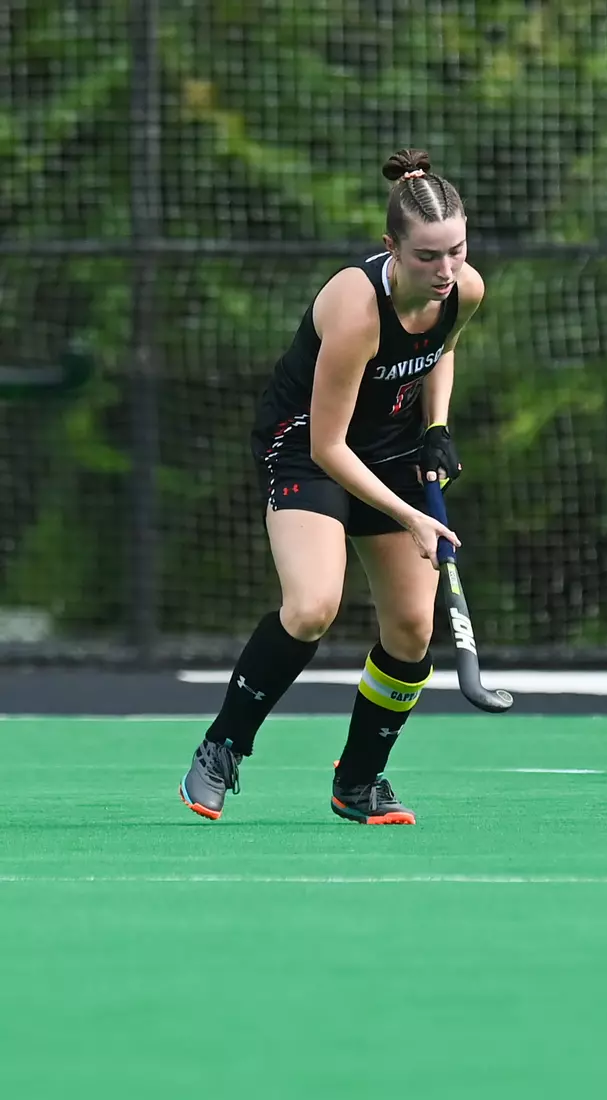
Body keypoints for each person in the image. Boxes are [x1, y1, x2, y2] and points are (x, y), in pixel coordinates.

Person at [180, 148, 485, 825]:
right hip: (310, 449)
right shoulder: (356, 309)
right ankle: (223, 744)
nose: (446, 271)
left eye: (456, 252)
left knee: (411, 629)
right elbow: (328, 445)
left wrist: (437, 424)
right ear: (391, 249)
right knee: (314, 605)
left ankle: (358, 781)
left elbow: (444, 351)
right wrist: (411, 516)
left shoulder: (465, 289)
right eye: (428, 257)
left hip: (393, 449)